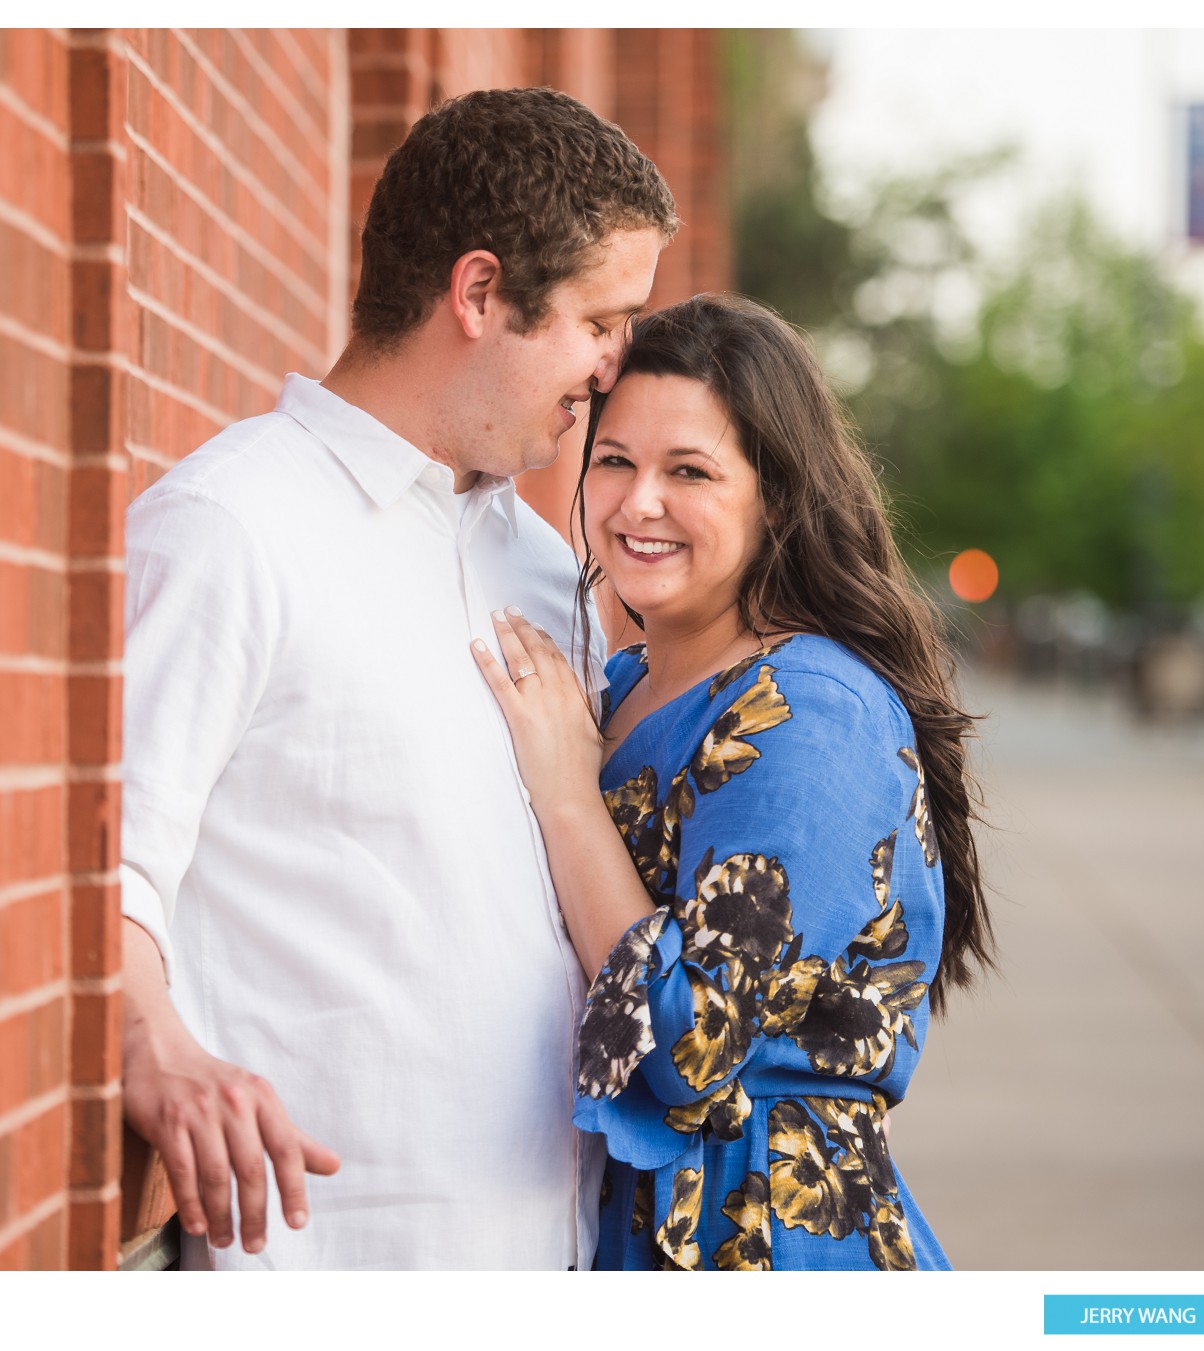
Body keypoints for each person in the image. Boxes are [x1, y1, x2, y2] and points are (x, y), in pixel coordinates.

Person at [115, 88, 679, 1270]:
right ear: (478, 293)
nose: (612, 366)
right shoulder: (231, 528)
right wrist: (147, 1042)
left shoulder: (540, 566)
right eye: (599, 319)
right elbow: (107, 869)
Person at [472, 292, 994, 1269]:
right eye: (615, 461)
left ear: (777, 496)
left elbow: (688, 1049)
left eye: (691, 472)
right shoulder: (623, 681)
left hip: (761, 1235)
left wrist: (566, 793)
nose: (639, 504)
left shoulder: (805, 710)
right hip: (621, 1218)